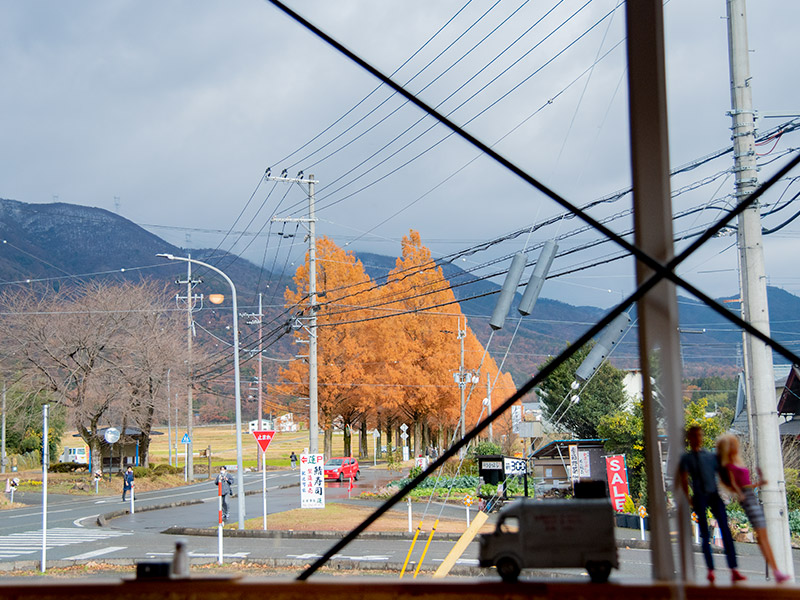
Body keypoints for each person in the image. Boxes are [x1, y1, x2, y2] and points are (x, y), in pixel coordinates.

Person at [716, 434, 790, 583]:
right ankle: (776, 572)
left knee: (763, 536)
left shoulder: (734, 463)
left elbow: (742, 484)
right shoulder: (728, 466)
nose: (735, 447)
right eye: (732, 445)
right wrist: (741, 492)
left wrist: (758, 483)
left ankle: (776, 571)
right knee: (762, 536)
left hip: (750, 497)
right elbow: (736, 484)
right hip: (748, 499)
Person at [677, 425, 744, 584]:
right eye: (694, 436)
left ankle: (733, 569)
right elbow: (683, 479)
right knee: (705, 534)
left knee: (725, 530)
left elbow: (723, 474)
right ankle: (711, 570)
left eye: (699, 435)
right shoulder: (687, 458)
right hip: (700, 495)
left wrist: (735, 489)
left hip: (713, 494)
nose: (697, 438)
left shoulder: (711, 456)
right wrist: (689, 498)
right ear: (690, 438)